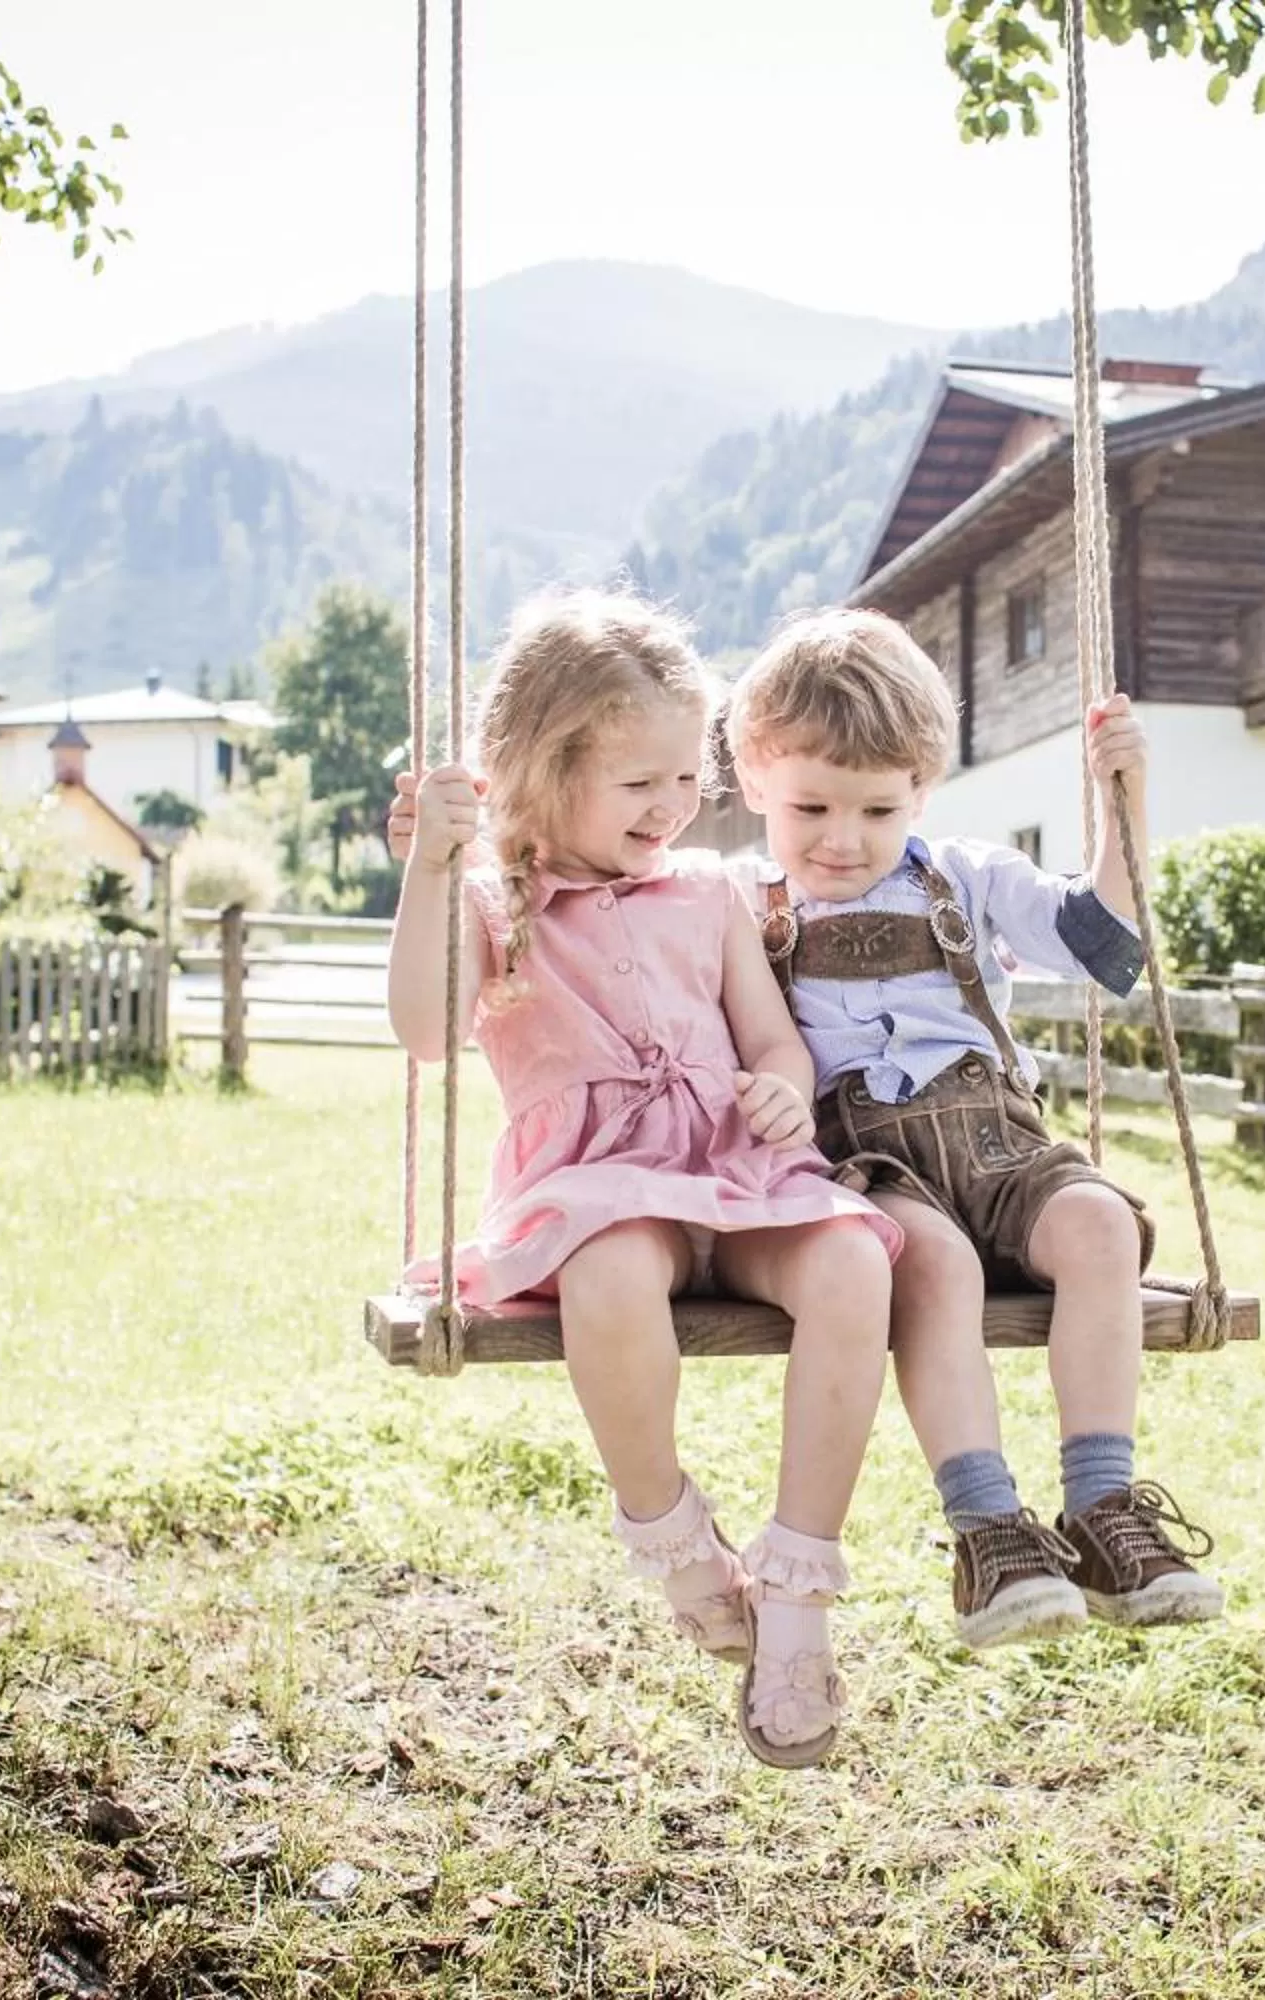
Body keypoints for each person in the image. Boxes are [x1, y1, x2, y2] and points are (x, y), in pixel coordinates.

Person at [383, 588, 901, 1769]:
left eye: (685, 779)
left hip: (732, 1165)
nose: (672, 806)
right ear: (539, 769)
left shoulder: (711, 893)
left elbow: (773, 1040)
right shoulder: (492, 902)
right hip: (600, 1186)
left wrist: (775, 1085)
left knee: (851, 1256)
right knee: (612, 1269)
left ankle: (799, 1578)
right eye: (638, 784)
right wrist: (428, 869)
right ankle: (674, 1536)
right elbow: (424, 1030)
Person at [724, 607, 1224, 1651]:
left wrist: (1121, 808)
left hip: (997, 1139)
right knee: (934, 1268)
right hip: (865, 1163)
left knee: (1100, 1229)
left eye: (878, 807)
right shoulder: (736, 901)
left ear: (923, 789)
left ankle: (1102, 1506)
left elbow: (1101, 942)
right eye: (809, 804)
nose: (842, 838)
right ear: (753, 776)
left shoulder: (966, 875)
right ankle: (990, 1528)